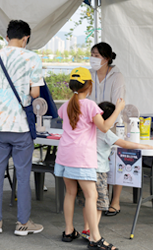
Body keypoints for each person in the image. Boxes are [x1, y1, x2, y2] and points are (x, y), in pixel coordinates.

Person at [0, 20, 44, 235]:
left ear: (7, 37)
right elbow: (35, 94)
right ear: (26, 37)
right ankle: (23, 224)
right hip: (20, 126)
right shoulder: (32, 58)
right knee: (23, 174)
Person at [54, 67, 125, 250]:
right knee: (91, 196)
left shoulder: (65, 105)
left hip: (64, 155)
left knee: (70, 193)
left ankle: (69, 231)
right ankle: (95, 238)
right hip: (81, 157)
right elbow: (104, 127)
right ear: (89, 85)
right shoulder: (90, 105)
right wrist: (118, 110)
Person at [79, 101, 153, 241]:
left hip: (83, 170)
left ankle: (86, 228)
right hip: (98, 172)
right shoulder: (106, 132)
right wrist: (143, 145)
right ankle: (93, 232)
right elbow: (125, 144)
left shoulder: (87, 129)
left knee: (88, 202)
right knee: (99, 204)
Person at [87, 42, 126, 216]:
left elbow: (118, 102)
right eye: (92, 55)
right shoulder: (89, 74)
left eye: (97, 55)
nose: (93, 58)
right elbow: (85, 98)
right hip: (92, 125)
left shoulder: (117, 76)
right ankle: (100, 197)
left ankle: (115, 201)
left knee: (116, 162)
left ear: (107, 58)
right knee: (99, 162)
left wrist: (106, 123)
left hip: (113, 124)